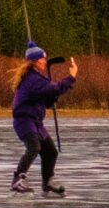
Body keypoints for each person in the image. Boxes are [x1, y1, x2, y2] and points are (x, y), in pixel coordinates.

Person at [9, 43, 78, 196]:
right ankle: (17, 180)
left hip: (35, 122)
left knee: (51, 152)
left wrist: (50, 100)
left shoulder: (36, 78)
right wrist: (71, 77)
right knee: (34, 148)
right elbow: (54, 88)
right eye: (42, 59)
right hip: (25, 121)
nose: (45, 61)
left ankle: (48, 182)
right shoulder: (33, 79)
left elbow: (43, 98)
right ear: (34, 61)